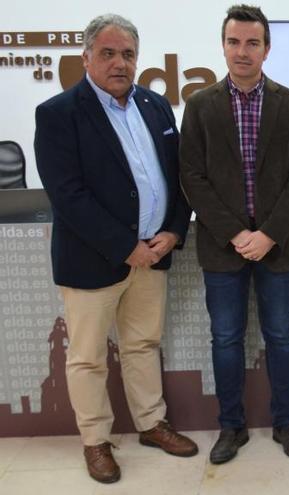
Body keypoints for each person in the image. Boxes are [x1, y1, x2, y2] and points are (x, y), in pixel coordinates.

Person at [33, 14, 197, 483]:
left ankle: (150, 423)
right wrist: (127, 247)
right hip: (95, 260)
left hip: (155, 253)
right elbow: (69, 197)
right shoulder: (59, 114)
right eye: (107, 53)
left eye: (127, 54)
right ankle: (96, 442)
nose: (119, 63)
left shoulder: (155, 105)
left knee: (143, 344)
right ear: (86, 57)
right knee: (87, 356)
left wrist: (172, 230)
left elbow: (178, 176)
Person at [179, 5, 289, 464]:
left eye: (252, 42)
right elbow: (192, 177)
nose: (243, 51)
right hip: (223, 246)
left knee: (281, 336)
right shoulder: (199, 106)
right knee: (225, 339)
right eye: (235, 42)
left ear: (266, 48)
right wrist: (237, 233)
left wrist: (268, 235)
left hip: (278, 245)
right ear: (224, 46)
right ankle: (230, 427)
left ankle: (284, 423)